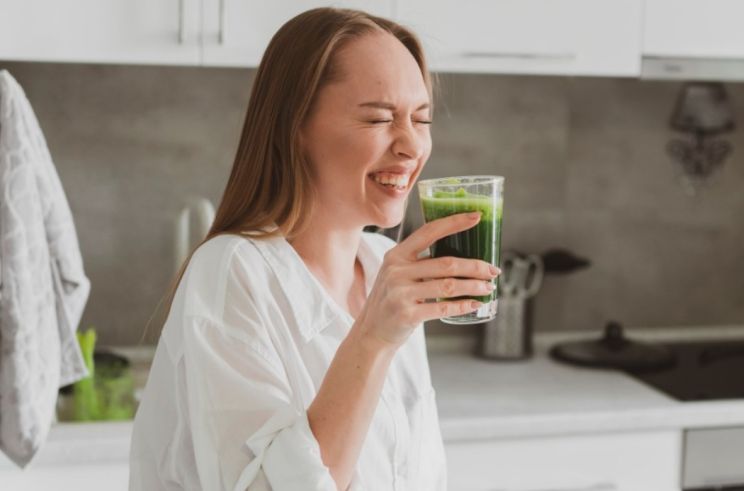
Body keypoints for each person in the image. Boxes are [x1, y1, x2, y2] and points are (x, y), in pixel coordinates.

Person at [129, 7, 500, 491]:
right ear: (296, 125)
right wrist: (374, 338)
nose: (412, 146)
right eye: (380, 118)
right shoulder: (232, 272)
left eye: (421, 118)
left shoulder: (382, 267)